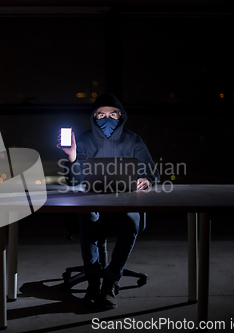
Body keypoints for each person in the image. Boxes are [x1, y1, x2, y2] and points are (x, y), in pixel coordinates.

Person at [57, 92, 159, 309]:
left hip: (125, 202)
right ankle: (93, 283)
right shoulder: (82, 141)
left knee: (132, 222)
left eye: (112, 114)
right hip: (92, 201)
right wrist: (72, 156)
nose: (107, 118)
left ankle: (110, 282)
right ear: (94, 116)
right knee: (88, 218)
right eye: (101, 114)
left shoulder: (133, 140)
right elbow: (73, 180)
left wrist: (146, 180)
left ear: (120, 115)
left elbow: (152, 173)